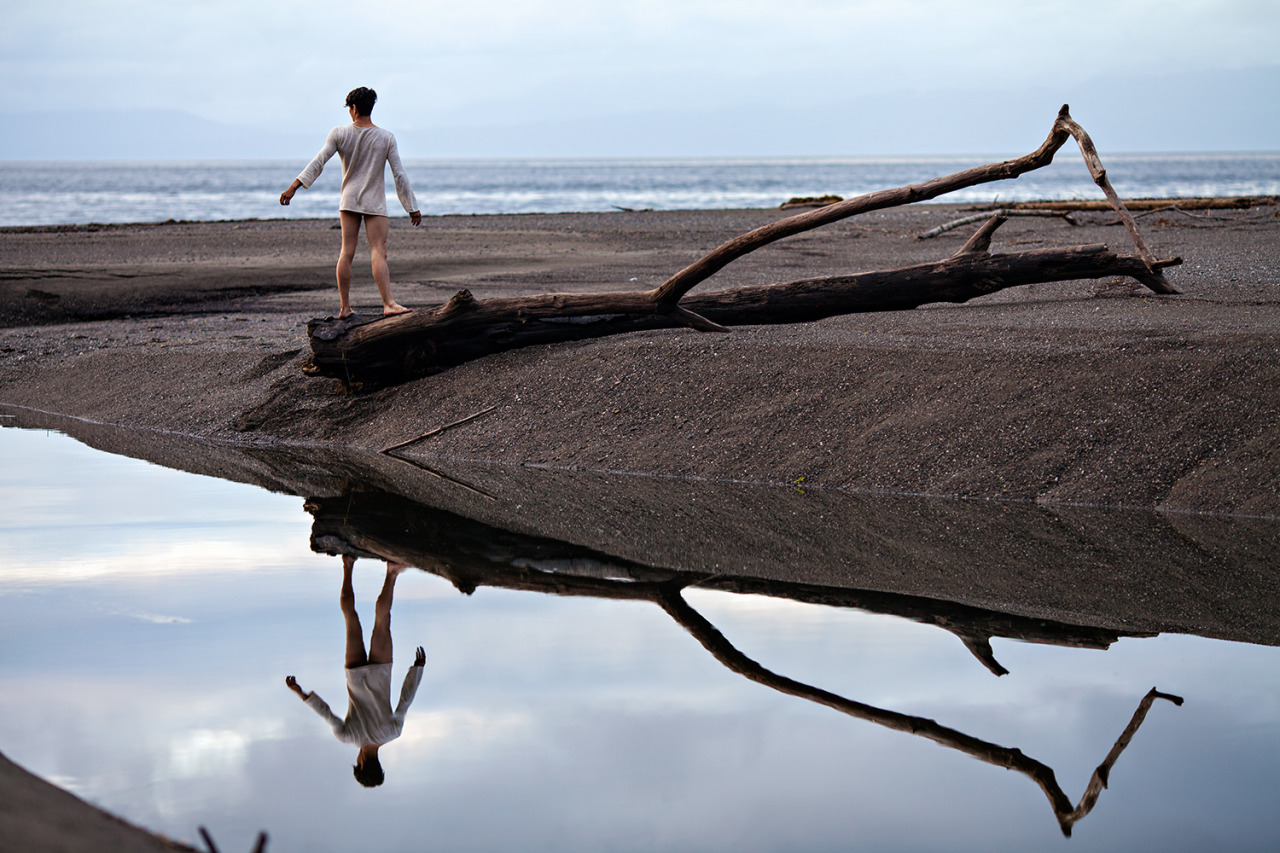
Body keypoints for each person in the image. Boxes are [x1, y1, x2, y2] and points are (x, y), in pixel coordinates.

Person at [279, 86, 422, 318]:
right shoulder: (386, 137)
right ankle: (388, 303)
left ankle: (345, 307)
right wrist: (411, 207)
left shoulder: (339, 133)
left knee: (347, 252)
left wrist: (294, 187)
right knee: (379, 251)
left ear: (353, 108)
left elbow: (319, 161)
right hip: (374, 201)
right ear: (369, 108)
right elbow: (399, 174)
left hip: (349, 200)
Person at [285, 555, 424, 787]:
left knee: (383, 620)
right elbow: (325, 712)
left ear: (377, 765)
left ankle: (391, 572)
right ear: (360, 764)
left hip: (380, 671)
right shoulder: (347, 737)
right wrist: (300, 692)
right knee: (351, 618)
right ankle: (348, 565)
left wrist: (417, 670)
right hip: (356, 674)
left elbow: (405, 700)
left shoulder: (392, 733)